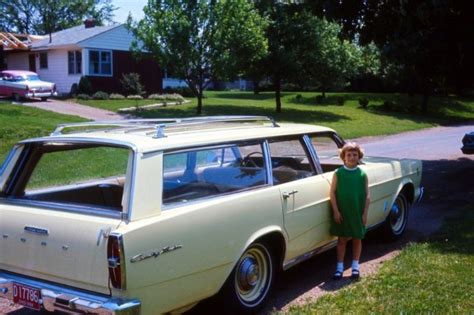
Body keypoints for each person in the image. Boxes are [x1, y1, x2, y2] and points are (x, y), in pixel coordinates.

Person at [329, 142, 370, 280]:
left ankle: (355, 267)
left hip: (357, 211)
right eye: (349, 155)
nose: (352, 157)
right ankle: (339, 268)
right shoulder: (338, 173)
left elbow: (367, 195)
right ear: (343, 157)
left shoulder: (362, 174)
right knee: (342, 239)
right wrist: (336, 211)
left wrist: (364, 214)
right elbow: (332, 193)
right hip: (342, 212)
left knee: (357, 238)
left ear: (359, 156)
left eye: (355, 155)